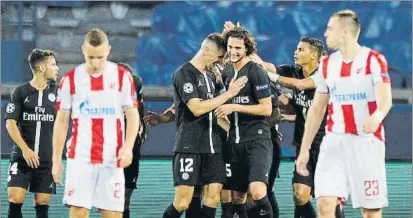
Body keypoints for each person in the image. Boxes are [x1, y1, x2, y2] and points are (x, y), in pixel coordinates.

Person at [296, 10, 391, 218]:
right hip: (334, 142)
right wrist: (304, 149)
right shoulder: (327, 65)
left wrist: (376, 117)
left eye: (330, 28)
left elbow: (386, 100)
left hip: (366, 142)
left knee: (371, 211)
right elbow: (317, 109)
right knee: (325, 203)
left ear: (345, 32)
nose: (326, 33)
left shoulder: (373, 60)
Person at [52, 28, 140, 218]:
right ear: (83, 49)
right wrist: (56, 160)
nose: (95, 62)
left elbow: (132, 115)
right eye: (91, 57)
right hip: (80, 157)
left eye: (100, 57)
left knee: (112, 214)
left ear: (108, 50)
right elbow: (61, 122)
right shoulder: (70, 80)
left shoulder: (122, 77)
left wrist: (128, 147)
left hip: (112, 157)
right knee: (79, 213)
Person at [162, 33, 247, 218]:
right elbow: (196, 108)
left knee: (212, 199)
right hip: (189, 146)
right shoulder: (184, 73)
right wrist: (229, 94)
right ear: (207, 51)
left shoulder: (211, 75)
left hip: (214, 147)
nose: (219, 62)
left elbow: (217, 111)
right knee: (183, 202)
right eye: (218, 57)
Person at [216, 26, 273, 218]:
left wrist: (234, 107)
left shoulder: (256, 72)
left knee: (257, 191)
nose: (233, 51)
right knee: (237, 197)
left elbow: (267, 109)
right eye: (230, 47)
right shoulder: (226, 73)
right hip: (235, 142)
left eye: (238, 48)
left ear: (247, 49)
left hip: (257, 140)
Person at [5, 48, 59, 218]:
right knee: (15, 198)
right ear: (42, 68)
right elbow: (10, 123)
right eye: (53, 64)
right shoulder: (20, 92)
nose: (57, 68)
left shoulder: (58, 94)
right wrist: (25, 149)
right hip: (22, 158)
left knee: (42, 203)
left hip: (46, 160)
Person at [117, 62, 147, 218]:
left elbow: (139, 105)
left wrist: (143, 127)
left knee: (127, 189)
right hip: (110, 143)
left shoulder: (136, 82)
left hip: (130, 142)